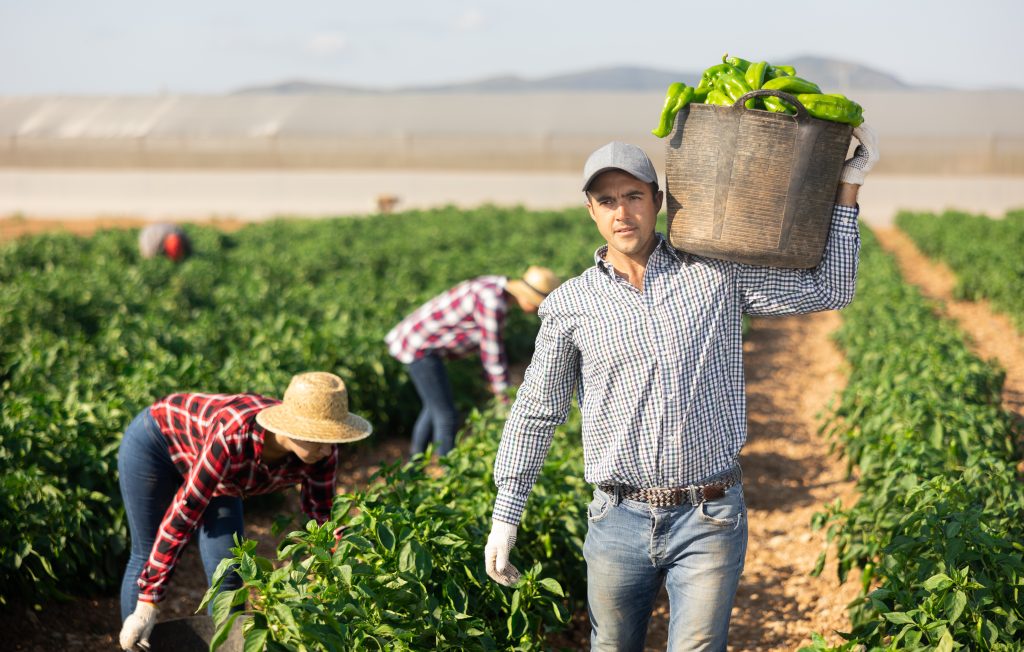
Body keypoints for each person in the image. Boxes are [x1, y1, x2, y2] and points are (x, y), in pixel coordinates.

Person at [484, 129, 879, 650]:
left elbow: (830, 287)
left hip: (708, 515)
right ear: (591, 212)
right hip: (617, 519)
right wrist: (506, 512)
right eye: (607, 201)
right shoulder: (569, 305)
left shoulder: (715, 275)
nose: (621, 212)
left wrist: (846, 188)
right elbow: (536, 412)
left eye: (633, 196)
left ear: (658, 201)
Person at [118, 371, 372, 650]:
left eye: (333, 438)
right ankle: (134, 639)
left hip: (219, 476)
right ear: (291, 427)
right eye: (318, 437)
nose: (328, 449)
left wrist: (345, 561)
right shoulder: (233, 436)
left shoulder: (323, 454)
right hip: (157, 442)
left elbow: (322, 514)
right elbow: (184, 514)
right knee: (147, 551)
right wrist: (149, 602)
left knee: (228, 571)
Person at [385, 266, 561, 457]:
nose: (537, 310)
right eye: (537, 305)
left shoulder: (495, 287)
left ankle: (415, 463)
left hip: (419, 343)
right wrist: (505, 400)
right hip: (419, 347)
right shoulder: (493, 302)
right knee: (447, 416)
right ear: (526, 295)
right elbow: (493, 356)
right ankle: (447, 471)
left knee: (433, 407)